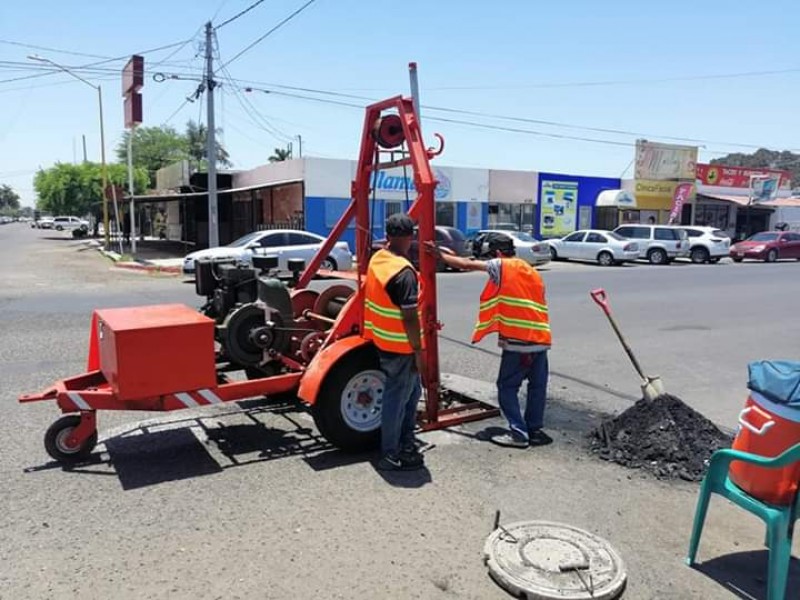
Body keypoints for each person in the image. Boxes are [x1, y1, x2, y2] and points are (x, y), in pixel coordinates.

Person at [426, 232, 552, 448]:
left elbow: (467, 264)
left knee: (506, 387)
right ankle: (534, 429)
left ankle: (519, 434)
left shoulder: (503, 266)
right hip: (541, 339)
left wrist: (441, 256)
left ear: (498, 254)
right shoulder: (530, 270)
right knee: (537, 387)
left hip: (519, 342)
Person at [363, 213, 426, 471]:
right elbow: (410, 316)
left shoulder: (379, 259)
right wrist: (419, 351)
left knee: (412, 394)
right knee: (397, 400)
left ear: (388, 236)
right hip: (402, 347)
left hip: (384, 342)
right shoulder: (404, 273)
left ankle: (406, 441)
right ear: (410, 237)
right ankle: (391, 454)